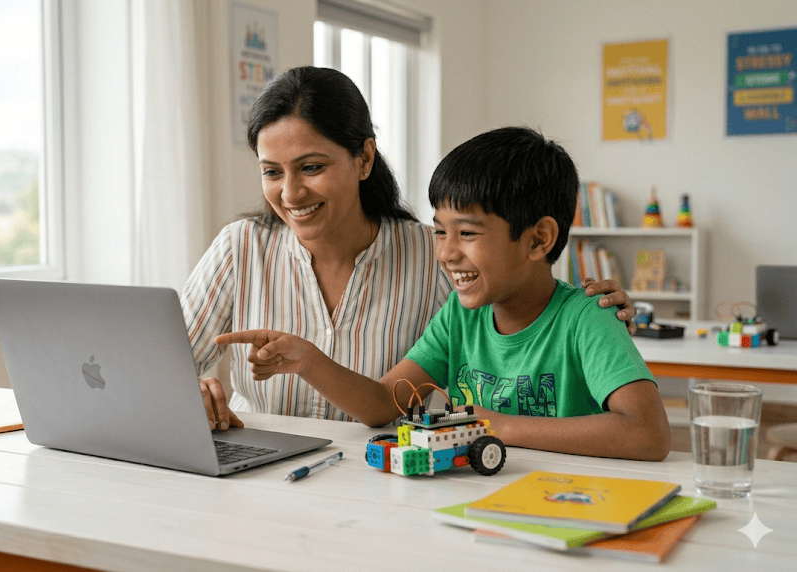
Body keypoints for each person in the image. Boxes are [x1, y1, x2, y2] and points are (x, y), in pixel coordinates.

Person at [183, 67, 637, 431]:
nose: (291, 193)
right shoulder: (241, 247)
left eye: (312, 167)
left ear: (363, 158)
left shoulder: (430, 254)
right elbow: (163, 365)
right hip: (265, 473)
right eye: (272, 172)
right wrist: (194, 389)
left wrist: (595, 306)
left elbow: (521, 289)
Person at [217, 126, 671, 462]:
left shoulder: (586, 318)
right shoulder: (461, 316)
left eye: (468, 233)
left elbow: (648, 434)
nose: (448, 253)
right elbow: (381, 404)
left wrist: (500, 425)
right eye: (439, 232)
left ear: (538, 240)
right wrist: (309, 361)